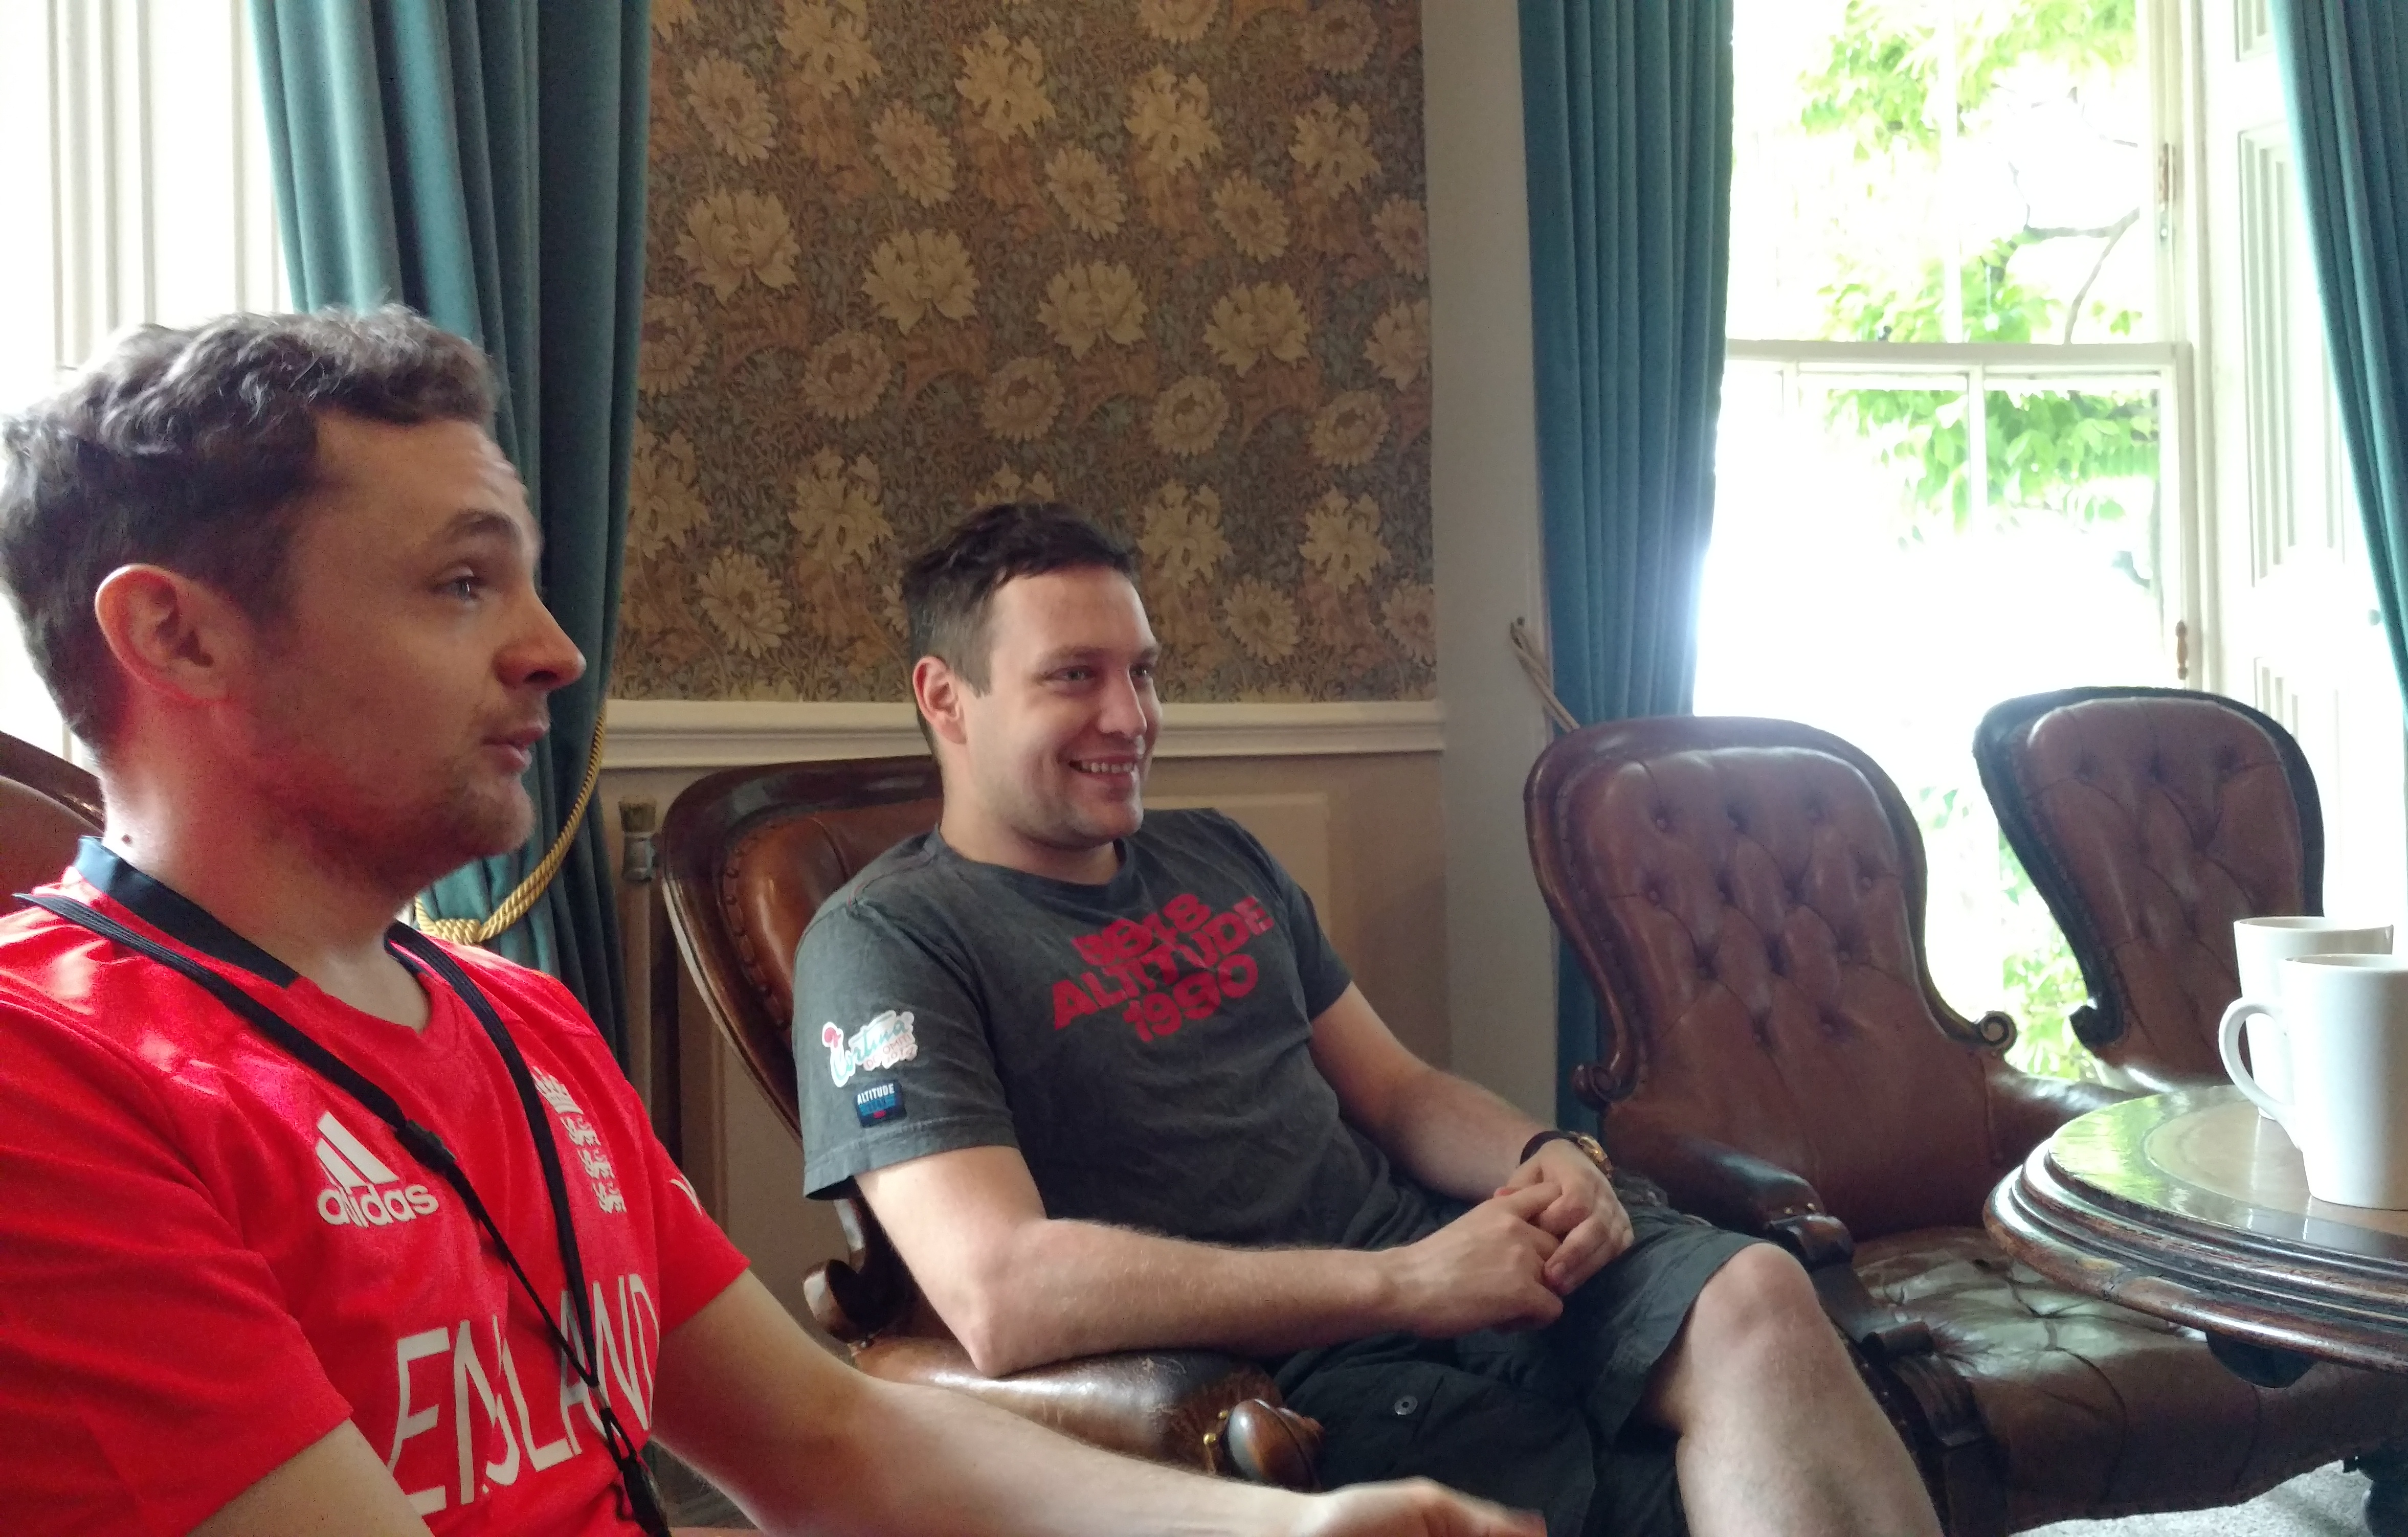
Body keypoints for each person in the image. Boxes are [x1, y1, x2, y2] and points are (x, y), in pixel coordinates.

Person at [0, 307, 1536, 1537]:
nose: (557, 650)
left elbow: (826, 1435)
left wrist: (1283, 1525)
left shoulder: (523, 1026)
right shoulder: (48, 1082)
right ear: (176, 635)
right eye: (463, 583)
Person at [789, 505, 1944, 1537]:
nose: (1130, 716)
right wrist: (1402, 1284)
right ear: (945, 696)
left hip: (1463, 1268)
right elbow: (998, 1290)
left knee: (1758, 1296)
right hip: (1296, 1372)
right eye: (1074, 677)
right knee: (1687, 1492)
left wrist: (1546, 1153)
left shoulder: (1216, 854)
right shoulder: (887, 941)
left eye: (1142, 671)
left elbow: (1397, 1092)